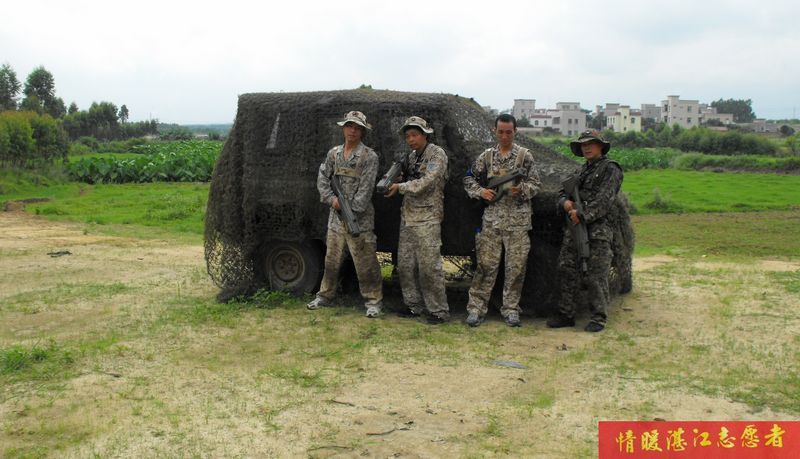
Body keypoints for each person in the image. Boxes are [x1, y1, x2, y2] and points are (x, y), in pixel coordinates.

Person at [462, 114, 542, 327]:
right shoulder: (487, 157)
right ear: (494, 131)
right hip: (492, 222)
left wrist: (521, 190)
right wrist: (481, 192)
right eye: (500, 132)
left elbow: (535, 184)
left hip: (517, 222)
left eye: (509, 132)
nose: (504, 136)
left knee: (515, 269)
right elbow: (468, 178)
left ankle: (511, 309)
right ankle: (476, 309)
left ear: (515, 132)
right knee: (485, 267)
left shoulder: (525, 157)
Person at [307, 111, 383, 317]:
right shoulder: (334, 154)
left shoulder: (369, 156)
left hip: (359, 220)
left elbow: (365, 191)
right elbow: (323, 178)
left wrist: (349, 209)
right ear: (343, 128)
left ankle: (373, 302)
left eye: (357, 127)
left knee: (365, 262)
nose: (352, 130)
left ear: (362, 131)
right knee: (331, 260)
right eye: (349, 125)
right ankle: (324, 295)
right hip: (335, 219)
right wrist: (332, 200)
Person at [547, 129, 623, 332]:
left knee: (596, 274)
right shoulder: (580, 171)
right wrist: (565, 204)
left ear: (600, 146)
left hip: (598, 230)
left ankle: (598, 317)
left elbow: (604, 200)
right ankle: (566, 314)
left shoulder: (611, 169)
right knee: (567, 268)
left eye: (591, 143)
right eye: (583, 144)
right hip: (575, 229)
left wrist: (583, 214)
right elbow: (562, 193)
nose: (587, 147)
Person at [384, 116, 450, 324]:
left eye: (415, 135)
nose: (411, 139)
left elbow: (427, 182)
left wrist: (400, 188)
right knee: (405, 265)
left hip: (427, 218)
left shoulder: (437, 155)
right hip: (409, 216)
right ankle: (414, 306)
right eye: (408, 136)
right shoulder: (411, 157)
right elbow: (411, 179)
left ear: (425, 134)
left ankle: (438, 311)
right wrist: (395, 180)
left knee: (429, 267)